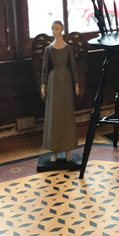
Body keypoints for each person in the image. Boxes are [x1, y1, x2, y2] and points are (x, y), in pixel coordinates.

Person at [41, 20, 79, 163]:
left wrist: (76, 82)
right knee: (54, 114)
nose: (54, 31)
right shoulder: (49, 49)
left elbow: (74, 66)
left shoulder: (68, 48)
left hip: (66, 80)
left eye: (56, 28)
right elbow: (45, 67)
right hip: (53, 80)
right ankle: (54, 152)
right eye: (52, 29)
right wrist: (43, 85)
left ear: (62, 29)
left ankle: (68, 151)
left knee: (66, 112)